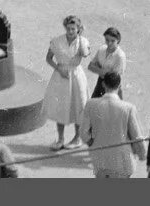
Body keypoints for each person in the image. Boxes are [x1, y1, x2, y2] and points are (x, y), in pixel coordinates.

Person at [44, 14, 93, 149]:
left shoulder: (82, 41)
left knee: (78, 106)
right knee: (61, 107)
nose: (70, 31)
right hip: (60, 76)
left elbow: (85, 54)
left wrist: (80, 38)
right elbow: (48, 58)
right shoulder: (57, 41)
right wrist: (58, 68)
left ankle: (77, 138)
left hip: (76, 76)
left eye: (73, 29)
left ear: (78, 29)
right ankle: (60, 139)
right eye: (68, 28)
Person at [83, 71, 143, 178]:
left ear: (103, 84)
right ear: (119, 86)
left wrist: (92, 143)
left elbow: (84, 133)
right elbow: (136, 136)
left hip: (100, 158)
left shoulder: (90, 104)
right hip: (122, 160)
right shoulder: (128, 108)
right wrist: (142, 153)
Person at [87, 26, 128, 98]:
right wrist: (105, 72)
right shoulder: (102, 49)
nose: (109, 43)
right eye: (107, 40)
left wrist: (98, 69)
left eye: (112, 41)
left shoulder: (120, 56)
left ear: (118, 40)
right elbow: (90, 66)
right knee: (94, 106)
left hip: (113, 87)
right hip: (100, 83)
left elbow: (114, 78)